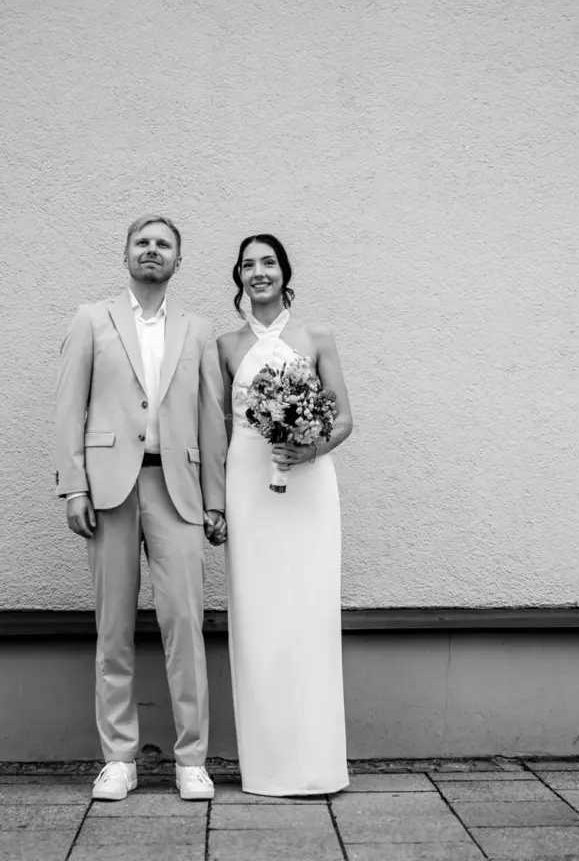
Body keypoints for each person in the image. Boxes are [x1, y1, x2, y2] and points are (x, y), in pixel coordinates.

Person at [53, 214, 228, 802]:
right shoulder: (91, 320)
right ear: (125, 254)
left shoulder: (198, 329)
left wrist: (215, 500)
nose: (152, 251)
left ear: (179, 260)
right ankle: (119, 758)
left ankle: (192, 759)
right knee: (114, 628)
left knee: (185, 625)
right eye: (142, 243)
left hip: (176, 489)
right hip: (109, 490)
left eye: (164, 245)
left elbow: (211, 417)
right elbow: (68, 407)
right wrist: (73, 486)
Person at [217, 233, 354, 796]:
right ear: (240, 279)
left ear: (284, 271)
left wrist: (311, 447)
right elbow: (221, 426)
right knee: (259, 614)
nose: (258, 273)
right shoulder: (224, 345)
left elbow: (344, 418)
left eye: (268, 262)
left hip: (309, 485)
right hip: (249, 482)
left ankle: (318, 762)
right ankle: (269, 766)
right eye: (248, 265)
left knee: (311, 611)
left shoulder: (317, 336)